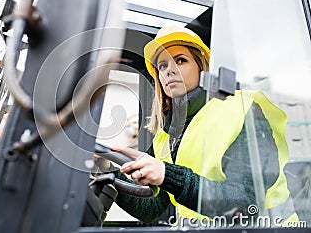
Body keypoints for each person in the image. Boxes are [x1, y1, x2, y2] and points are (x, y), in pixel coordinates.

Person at [97, 24, 298, 227]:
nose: (169, 71)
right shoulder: (165, 136)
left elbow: (245, 202)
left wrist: (167, 174)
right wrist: (109, 171)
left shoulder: (242, 110)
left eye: (180, 60)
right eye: (163, 66)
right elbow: (154, 209)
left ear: (202, 68)